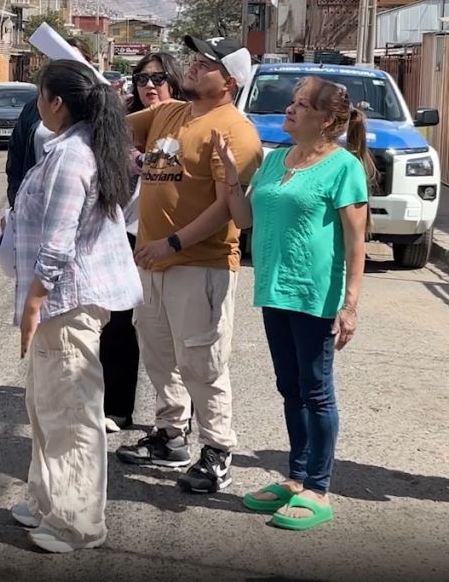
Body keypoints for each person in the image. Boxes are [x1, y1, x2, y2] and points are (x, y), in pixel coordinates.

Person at [215, 77, 371, 531]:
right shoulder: (274, 159)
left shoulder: (343, 167)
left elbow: (356, 243)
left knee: (316, 390)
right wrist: (231, 174)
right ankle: (296, 477)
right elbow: (245, 219)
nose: (290, 109)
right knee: (290, 386)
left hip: (315, 296)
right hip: (275, 290)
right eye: (293, 102)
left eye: (302, 105)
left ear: (326, 120)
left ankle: (318, 488)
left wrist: (350, 306)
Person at [7, 60, 143, 554]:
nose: (36, 104)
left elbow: (58, 244)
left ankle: (78, 522)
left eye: (39, 94)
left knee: (71, 414)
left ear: (57, 102)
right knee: (47, 407)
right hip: (61, 301)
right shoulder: (77, 146)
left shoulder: (71, 156)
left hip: (65, 301)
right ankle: (47, 500)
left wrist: (33, 303)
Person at [116, 35, 262, 494]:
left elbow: (225, 208)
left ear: (230, 81)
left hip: (199, 263)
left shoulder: (236, 131)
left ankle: (217, 450)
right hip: (152, 261)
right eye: (195, 59)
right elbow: (115, 125)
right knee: (159, 356)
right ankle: (170, 434)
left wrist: (172, 244)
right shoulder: (169, 113)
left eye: (207, 63)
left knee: (202, 362)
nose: (195, 67)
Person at [104, 52, 185, 434]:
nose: (149, 85)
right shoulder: (124, 123)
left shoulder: (187, 121)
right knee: (117, 325)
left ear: (174, 81)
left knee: (168, 333)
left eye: (158, 78)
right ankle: (117, 408)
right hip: (123, 232)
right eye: (141, 79)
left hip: (170, 239)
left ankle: (174, 420)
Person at [5, 37, 94, 206]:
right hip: (32, 204)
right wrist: (16, 207)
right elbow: (15, 161)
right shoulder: (35, 107)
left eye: (73, 61)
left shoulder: (97, 110)